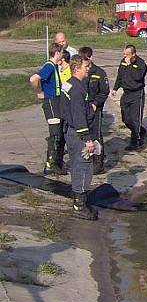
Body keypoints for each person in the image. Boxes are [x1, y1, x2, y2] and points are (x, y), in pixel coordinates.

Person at [60, 55, 98, 220]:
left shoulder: (68, 84)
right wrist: (87, 139)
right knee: (84, 167)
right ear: (77, 68)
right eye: (86, 66)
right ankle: (79, 206)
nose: (88, 69)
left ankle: (78, 200)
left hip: (70, 130)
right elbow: (79, 115)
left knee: (76, 165)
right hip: (78, 134)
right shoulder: (76, 89)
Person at [29, 43, 67, 175]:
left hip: (57, 101)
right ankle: (50, 164)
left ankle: (56, 162)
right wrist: (39, 91)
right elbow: (34, 78)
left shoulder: (55, 66)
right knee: (55, 134)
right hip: (51, 103)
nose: (63, 55)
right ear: (57, 53)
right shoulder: (49, 66)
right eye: (62, 52)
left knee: (59, 134)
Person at [112, 44, 147, 151]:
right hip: (126, 93)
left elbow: (138, 77)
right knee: (126, 118)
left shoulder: (140, 64)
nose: (125, 56)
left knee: (135, 119)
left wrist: (130, 66)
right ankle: (141, 132)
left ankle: (135, 142)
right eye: (124, 54)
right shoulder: (123, 62)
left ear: (133, 54)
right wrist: (115, 88)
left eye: (127, 54)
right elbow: (120, 76)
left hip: (137, 94)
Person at [79, 46, 110, 174]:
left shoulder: (99, 73)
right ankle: (86, 160)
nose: (84, 63)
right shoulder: (80, 71)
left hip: (95, 108)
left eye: (86, 60)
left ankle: (98, 163)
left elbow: (104, 91)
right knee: (83, 134)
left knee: (96, 135)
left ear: (91, 58)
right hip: (82, 108)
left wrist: (96, 103)